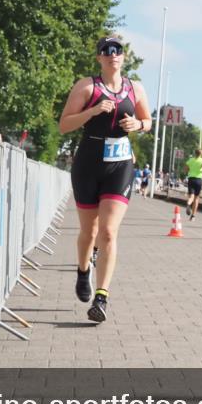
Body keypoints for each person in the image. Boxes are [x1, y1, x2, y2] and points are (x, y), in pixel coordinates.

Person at [59, 36, 152, 324]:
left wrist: (138, 124)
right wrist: (92, 111)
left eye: (117, 50)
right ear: (99, 57)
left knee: (108, 232)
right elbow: (64, 125)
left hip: (120, 165)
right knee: (90, 231)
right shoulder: (87, 87)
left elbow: (148, 122)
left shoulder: (135, 88)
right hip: (88, 163)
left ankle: (101, 297)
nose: (113, 54)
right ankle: (83, 270)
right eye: (106, 50)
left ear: (123, 57)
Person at [183, 149, 202, 220]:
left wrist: (190, 171)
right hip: (198, 180)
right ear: (201, 154)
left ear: (195, 153)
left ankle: (188, 204)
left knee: (191, 196)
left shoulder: (190, 160)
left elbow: (185, 169)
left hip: (191, 179)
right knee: (196, 198)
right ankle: (193, 216)